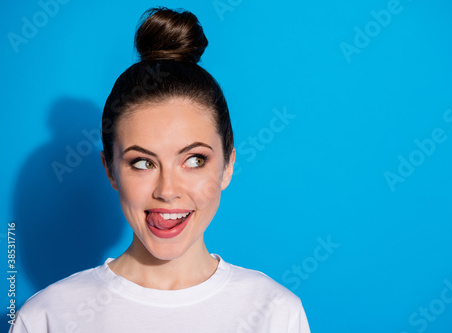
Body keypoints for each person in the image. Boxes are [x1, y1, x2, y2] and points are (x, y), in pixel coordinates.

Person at [10, 7, 310, 333]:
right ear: (110, 170)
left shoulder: (275, 312)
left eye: (194, 160)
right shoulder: (46, 317)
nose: (167, 191)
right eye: (143, 163)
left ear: (228, 166)